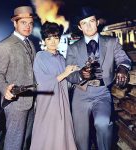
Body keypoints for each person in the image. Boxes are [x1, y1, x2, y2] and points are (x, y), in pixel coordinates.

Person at [66, 7, 131, 150]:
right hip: (80, 94)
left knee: (103, 124)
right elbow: (69, 75)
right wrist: (80, 75)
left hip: (102, 93)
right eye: (84, 23)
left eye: (91, 21)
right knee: (81, 137)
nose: (89, 26)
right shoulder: (73, 48)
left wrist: (123, 68)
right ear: (80, 27)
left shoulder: (112, 42)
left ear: (97, 22)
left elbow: (123, 58)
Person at [0, 6, 36, 150]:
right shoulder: (4, 46)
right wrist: (5, 89)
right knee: (14, 143)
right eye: (23, 22)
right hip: (15, 104)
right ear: (14, 23)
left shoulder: (31, 44)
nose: (28, 26)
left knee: (25, 141)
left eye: (30, 23)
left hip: (31, 102)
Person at [30, 21, 78, 150]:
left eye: (56, 38)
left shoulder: (61, 58)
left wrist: (75, 71)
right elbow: (42, 82)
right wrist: (65, 73)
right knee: (47, 131)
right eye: (48, 38)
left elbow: (69, 79)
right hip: (48, 101)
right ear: (44, 40)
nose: (52, 41)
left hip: (63, 100)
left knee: (63, 129)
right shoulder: (40, 57)